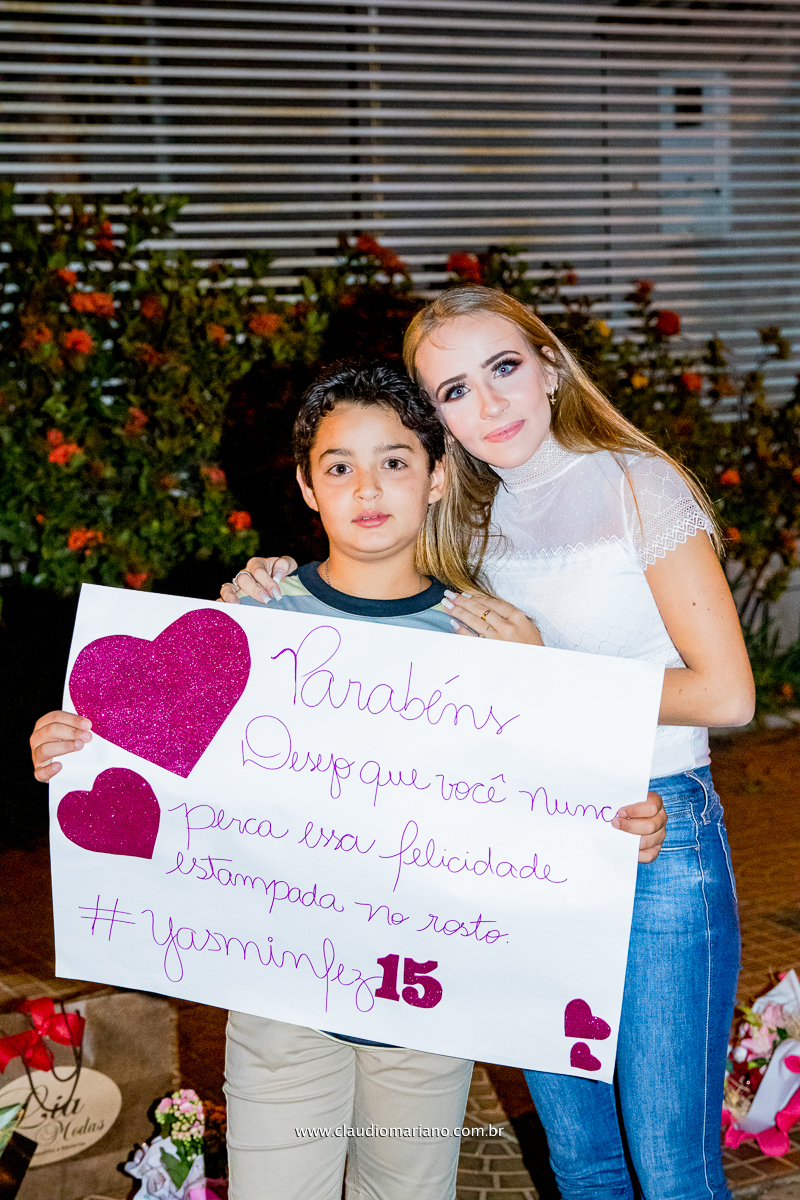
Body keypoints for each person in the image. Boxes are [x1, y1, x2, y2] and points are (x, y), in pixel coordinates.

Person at [31, 360, 666, 1200]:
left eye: (395, 461)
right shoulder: (251, 625)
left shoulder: (492, 638)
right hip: (280, 1002)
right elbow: (170, 779)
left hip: (429, 1006)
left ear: (437, 476)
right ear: (306, 486)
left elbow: (544, 797)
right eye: (339, 466)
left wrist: (619, 826)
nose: (367, 487)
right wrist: (74, 746)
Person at [223, 289, 754, 1200]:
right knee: (582, 1161)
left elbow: (728, 694)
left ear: (549, 366)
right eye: (455, 391)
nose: (491, 403)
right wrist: (265, 591)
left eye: (503, 368)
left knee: (671, 1169)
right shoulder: (465, 520)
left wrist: (549, 675)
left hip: (656, 838)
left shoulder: (636, 484)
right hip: (534, 847)